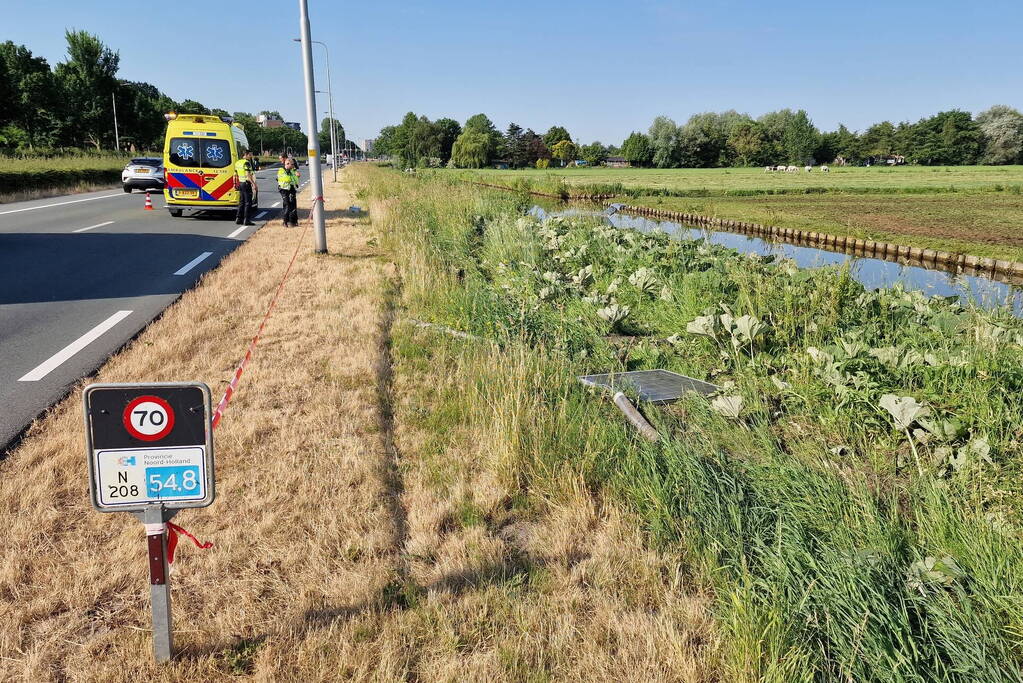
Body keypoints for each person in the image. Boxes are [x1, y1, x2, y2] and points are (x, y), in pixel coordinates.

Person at [234, 150, 257, 226]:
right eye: (250, 155)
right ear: (246, 155)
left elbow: (235, 174)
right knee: (248, 203)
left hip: (240, 183)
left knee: (241, 202)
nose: (251, 156)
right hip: (246, 184)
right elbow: (248, 175)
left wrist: (234, 184)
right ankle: (246, 220)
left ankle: (238, 219)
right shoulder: (246, 163)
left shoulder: (237, 163)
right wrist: (254, 184)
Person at [276, 157, 300, 227]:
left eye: (293, 164)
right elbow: (287, 179)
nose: (293, 166)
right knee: (287, 205)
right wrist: (293, 178)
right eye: (292, 164)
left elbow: (295, 179)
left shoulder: (292, 170)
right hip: (284, 189)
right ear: (287, 164)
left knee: (293, 204)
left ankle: (293, 221)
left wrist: (294, 179)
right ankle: (285, 221)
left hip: (291, 188)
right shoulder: (281, 170)